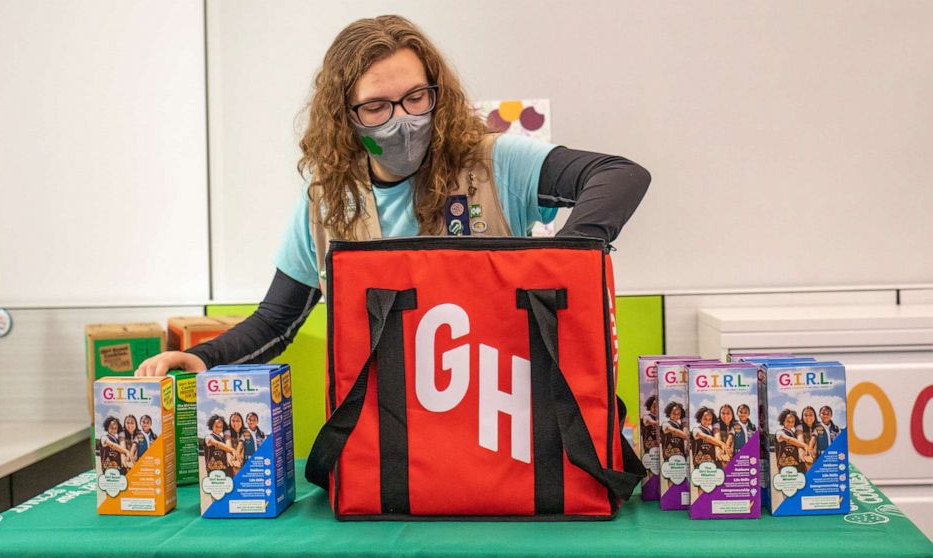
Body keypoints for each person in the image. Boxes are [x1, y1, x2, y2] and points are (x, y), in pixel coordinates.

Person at [133, 15, 649, 378]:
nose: (403, 119)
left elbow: (618, 174)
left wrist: (571, 255)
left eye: (416, 97)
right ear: (345, 116)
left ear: (435, 93)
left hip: (505, 412)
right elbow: (276, 320)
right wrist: (203, 358)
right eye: (377, 106)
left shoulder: (495, 162)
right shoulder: (327, 205)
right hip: (393, 433)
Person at [775, 409, 810, 473]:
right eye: (788, 421)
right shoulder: (779, 432)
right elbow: (789, 440)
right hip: (785, 466)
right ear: (783, 421)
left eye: (792, 421)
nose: (790, 423)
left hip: (796, 465)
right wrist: (805, 445)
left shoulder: (793, 433)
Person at [641, 395, 660, 465]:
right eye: (654, 406)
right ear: (650, 407)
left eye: (658, 406)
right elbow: (652, 422)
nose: (656, 408)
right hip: (648, 452)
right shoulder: (646, 417)